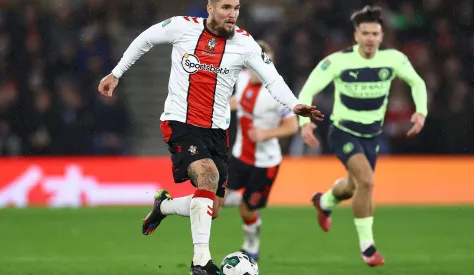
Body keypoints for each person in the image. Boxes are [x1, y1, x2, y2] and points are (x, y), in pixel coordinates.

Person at [97, 0, 323, 274]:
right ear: (210, 8)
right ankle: (201, 263)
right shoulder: (182, 27)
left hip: (216, 131)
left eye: (237, 8)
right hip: (180, 121)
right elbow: (146, 38)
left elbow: (271, 79)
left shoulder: (245, 43)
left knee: (212, 207)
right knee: (209, 177)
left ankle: (164, 206)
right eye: (226, 7)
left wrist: (294, 105)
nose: (232, 14)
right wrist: (116, 73)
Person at [297, 5, 427, 267]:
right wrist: (304, 122)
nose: (370, 38)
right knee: (366, 182)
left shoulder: (394, 59)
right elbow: (308, 90)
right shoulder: (338, 61)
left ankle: (325, 202)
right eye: (365, 33)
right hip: (343, 130)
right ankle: (367, 248)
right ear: (356, 36)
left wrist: (420, 112)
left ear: (382, 36)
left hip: (372, 135)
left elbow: (417, 82)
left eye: (375, 33)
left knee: (354, 186)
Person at [223, 41, 299, 261]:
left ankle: (251, 242)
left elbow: (292, 126)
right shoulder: (243, 77)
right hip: (239, 156)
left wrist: (265, 134)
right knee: (217, 201)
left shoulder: (279, 91)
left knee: (247, 212)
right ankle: (248, 200)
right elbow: (240, 101)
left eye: (266, 62)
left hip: (265, 162)